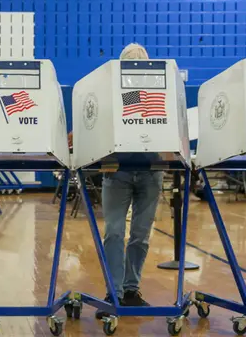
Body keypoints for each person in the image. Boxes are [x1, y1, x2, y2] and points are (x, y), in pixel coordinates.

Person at [69, 43, 161, 308]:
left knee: (141, 235)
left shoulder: (157, 94)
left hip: (151, 171)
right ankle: (115, 291)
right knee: (114, 232)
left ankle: (131, 289)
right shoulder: (120, 94)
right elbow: (102, 119)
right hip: (117, 172)